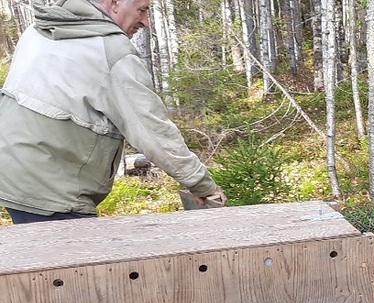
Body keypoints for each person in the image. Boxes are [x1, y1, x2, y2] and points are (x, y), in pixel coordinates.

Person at [0, 0, 226, 225]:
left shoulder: (42, 28)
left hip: (12, 170)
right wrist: (202, 185)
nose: (146, 22)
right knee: (77, 257)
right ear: (115, 3)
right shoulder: (111, 51)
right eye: (142, 10)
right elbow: (154, 132)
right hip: (50, 189)